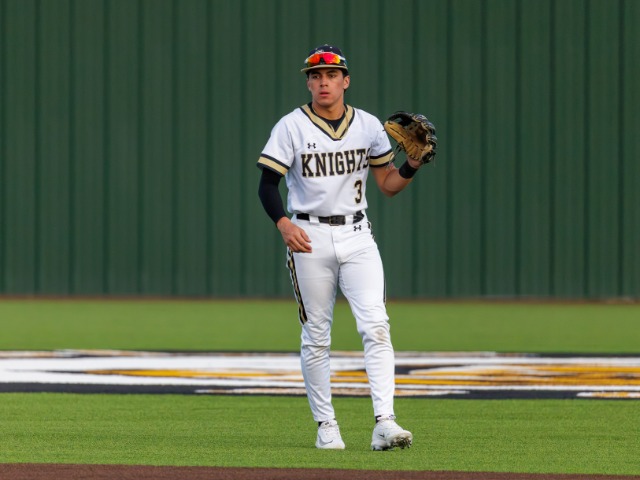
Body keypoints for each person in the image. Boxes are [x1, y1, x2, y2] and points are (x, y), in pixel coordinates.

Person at [257, 44, 424, 451]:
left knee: (376, 325)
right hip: (308, 235)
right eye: (315, 76)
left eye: (331, 75)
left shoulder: (367, 125)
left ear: (345, 81)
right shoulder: (291, 126)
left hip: (357, 234)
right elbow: (267, 184)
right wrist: (283, 223)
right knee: (317, 335)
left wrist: (413, 164)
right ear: (309, 83)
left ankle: (385, 422)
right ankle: (326, 425)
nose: (323, 82)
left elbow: (387, 185)